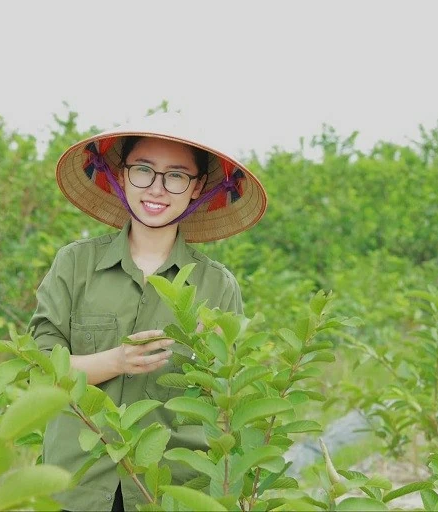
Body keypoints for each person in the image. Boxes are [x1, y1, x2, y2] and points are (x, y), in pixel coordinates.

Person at [27, 112, 267, 511]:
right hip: (78, 485)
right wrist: (117, 360)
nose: (157, 188)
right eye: (143, 170)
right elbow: (39, 370)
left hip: (171, 490)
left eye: (176, 175)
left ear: (197, 188)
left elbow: (229, 398)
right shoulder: (74, 265)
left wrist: (210, 349)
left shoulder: (216, 286)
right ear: (121, 175)